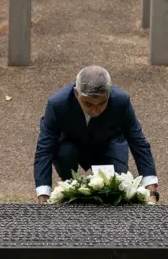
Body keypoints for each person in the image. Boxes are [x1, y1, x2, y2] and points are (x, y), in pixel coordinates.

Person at [33, 65, 159, 203]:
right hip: (71, 146)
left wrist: (151, 191)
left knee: (116, 189)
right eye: (88, 104)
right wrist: (43, 197)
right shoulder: (57, 104)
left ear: (109, 93)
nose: (95, 110)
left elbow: (138, 142)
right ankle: (70, 192)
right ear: (76, 93)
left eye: (102, 103)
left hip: (109, 143)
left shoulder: (121, 101)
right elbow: (44, 149)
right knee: (65, 153)